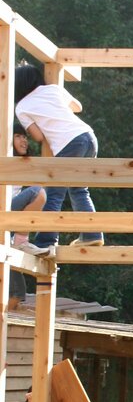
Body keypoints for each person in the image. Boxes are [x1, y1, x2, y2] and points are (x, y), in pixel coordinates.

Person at [14, 60, 103, 254]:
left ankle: (46, 240)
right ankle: (92, 235)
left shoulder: (21, 107)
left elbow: (39, 137)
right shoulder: (53, 89)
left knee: (54, 192)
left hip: (69, 144)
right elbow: (77, 106)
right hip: (88, 137)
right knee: (79, 189)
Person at [9, 123, 46, 306]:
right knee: (37, 192)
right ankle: (20, 241)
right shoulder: (4, 157)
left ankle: (18, 242)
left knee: (17, 292)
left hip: (9, 214)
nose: (24, 140)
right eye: (18, 136)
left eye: (25, 137)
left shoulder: (23, 164)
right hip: (4, 210)